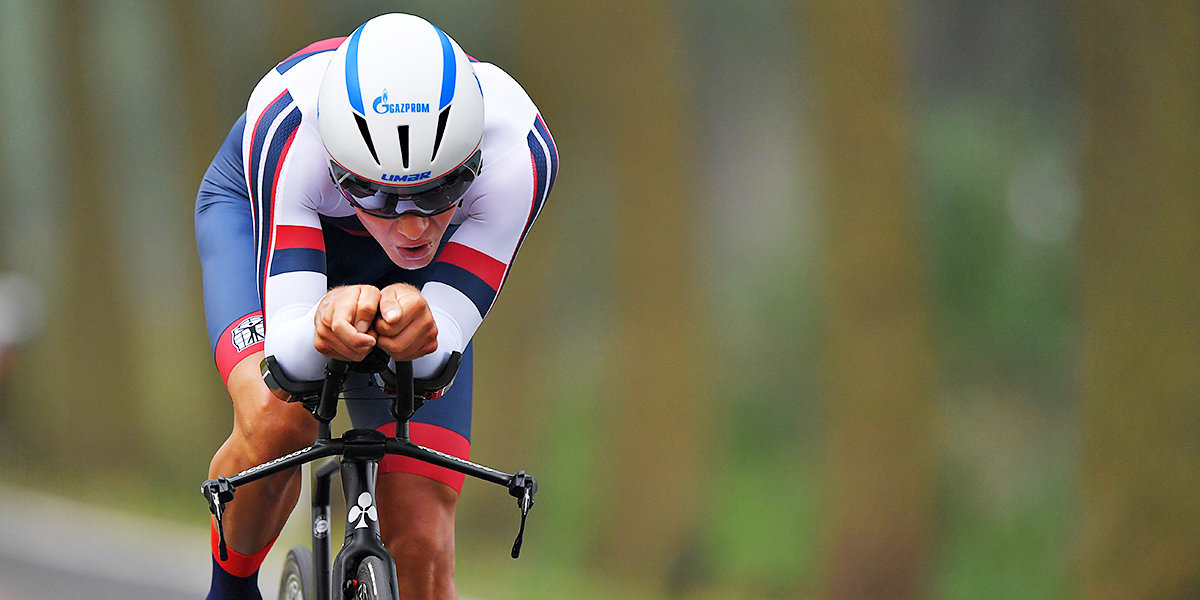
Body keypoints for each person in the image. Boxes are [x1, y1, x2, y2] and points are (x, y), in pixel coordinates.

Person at [194, 13, 557, 600]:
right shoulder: (290, 124)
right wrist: (321, 319)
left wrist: (425, 325)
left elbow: (438, 355)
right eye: (376, 193)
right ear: (338, 166)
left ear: (473, 160)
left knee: (421, 526)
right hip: (265, 216)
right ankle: (229, 591)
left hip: (424, 280)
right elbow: (291, 363)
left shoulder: (521, 149)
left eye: (441, 190)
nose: (412, 225)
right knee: (278, 415)